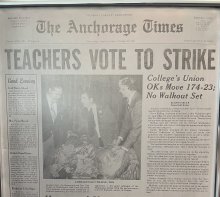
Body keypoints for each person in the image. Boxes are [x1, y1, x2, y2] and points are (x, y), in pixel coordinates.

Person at [42, 81, 71, 178]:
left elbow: (59, 123)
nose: (58, 96)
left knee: (50, 166)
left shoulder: (59, 104)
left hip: (53, 140)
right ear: (49, 90)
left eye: (60, 94)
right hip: (42, 140)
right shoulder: (40, 101)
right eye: (56, 93)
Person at [114, 77, 142, 163]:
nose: (119, 91)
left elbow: (136, 129)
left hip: (141, 142)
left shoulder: (139, 102)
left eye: (121, 88)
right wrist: (120, 138)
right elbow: (127, 122)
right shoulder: (129, 100)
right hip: (135, 141)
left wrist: (124, 148)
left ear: (127, 88)